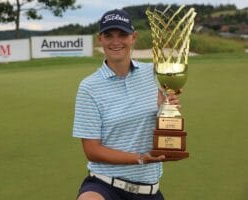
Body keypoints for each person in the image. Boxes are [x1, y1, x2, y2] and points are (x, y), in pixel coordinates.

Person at [73, 9, 180, 200]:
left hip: (149, 191)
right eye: (109, 35)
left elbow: (165, 124)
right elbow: (92, 150)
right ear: (100, 39)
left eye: (122, 34)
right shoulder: (89, 87)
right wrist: (140, 158)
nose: (116, 42)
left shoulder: (154, 74)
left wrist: (166, 109)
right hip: (106, 186)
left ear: (133, 37)